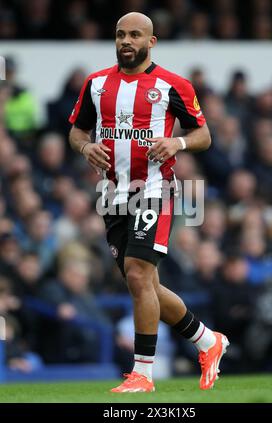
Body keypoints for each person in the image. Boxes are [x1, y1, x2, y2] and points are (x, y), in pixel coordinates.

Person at [69, 12, 229, 393]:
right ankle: (208, 340)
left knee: (139, 274)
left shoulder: (173, 85)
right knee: (145, 285)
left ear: (151, 42)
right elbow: (76, 131)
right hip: (111, 195)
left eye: (135, 35)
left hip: (154, 189)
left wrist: (178, 142)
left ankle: (142, 373)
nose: (126, 41)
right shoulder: (95, 85)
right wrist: (86, 146)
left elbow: (203, 134)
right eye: (121, 34)